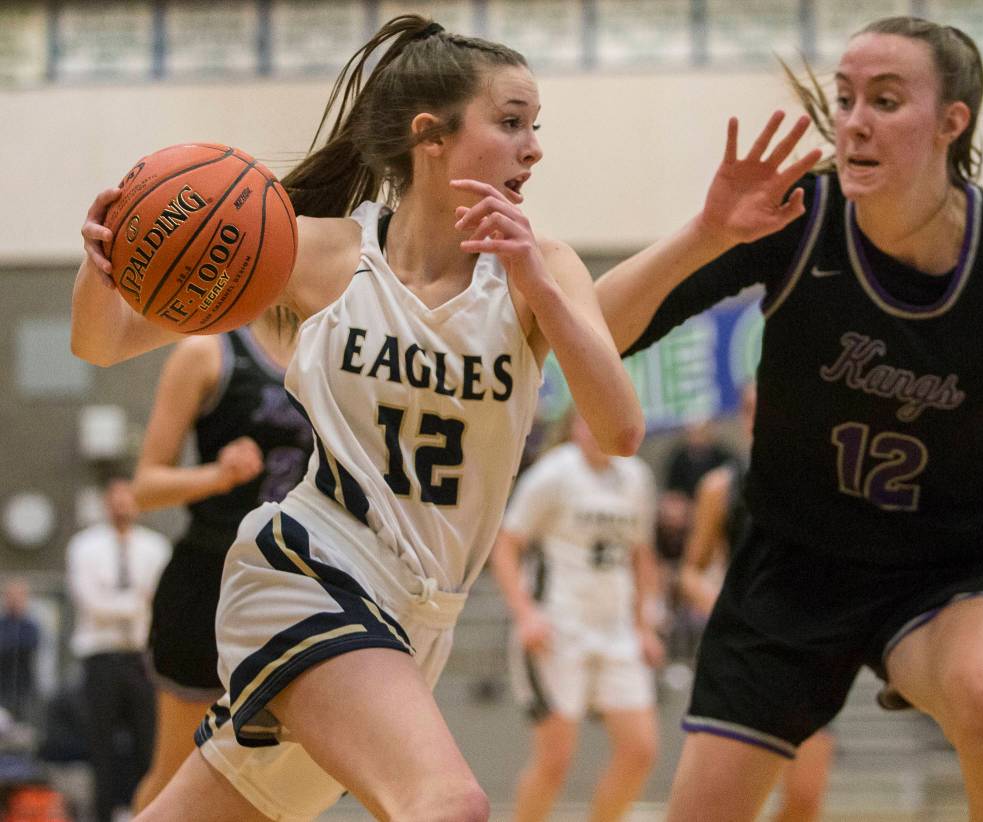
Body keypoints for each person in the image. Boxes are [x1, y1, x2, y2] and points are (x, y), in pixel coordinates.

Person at [71, 14, 643, 821]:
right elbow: (101, 345)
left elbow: (620, 432)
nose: (534, 146)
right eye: (511, 122)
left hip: (418, 616)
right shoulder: (319, 253)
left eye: (535, 126)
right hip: (309, 571)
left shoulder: (541, 268)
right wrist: (104, 267)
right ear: (430, 137)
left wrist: (544, 294)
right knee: (447, 804)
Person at [597, 15, 983, 821]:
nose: (855, 119)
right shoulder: (798, 216)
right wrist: (705, 232)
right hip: (791, 572)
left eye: (888, 100)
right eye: (847, 96)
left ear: (951, 122)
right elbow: (588, 334)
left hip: (947, 571)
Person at [129, 308, 312, 813]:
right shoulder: (208, 351)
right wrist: (217, 475)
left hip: (297, 588)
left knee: (273, 785)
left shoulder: (336, 352)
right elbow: (144, 487)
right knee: (174, 776)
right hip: (209, 581)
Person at [490, 407, 663, 822]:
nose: (595, 428)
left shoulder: (636, 477)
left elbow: (641, 554)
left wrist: (645, 625)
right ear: (574, 428)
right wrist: (525, 613)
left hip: (616, 629)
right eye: (586, 420)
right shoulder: (554, 474)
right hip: (559, 628)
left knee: (640, 750)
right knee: (555, 761)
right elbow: (506, 545)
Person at [680, 384, 834, 822]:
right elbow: (690, 572)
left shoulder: (819, 485)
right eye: (752, 408)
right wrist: (728, 607)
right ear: (745, 417)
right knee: (726, 803)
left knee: (806, 795)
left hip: (807, 651)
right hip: (744, 656)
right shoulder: (721, 487)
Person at [66, 478, 170, 822]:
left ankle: (149, 814)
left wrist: (132, 602)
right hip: (101, 658)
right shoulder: (84, 546)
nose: (122, 505)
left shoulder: (156, 547)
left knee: (149, 748)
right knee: (101, 748)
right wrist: (137, 601)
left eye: (128, 498)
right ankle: (103, 815)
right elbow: (91, 603)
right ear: (106, 503)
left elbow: (161, 602)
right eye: (116, 499)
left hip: (143, 660)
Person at [0, 579, 40, 724]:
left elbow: (32, 645)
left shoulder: (31, 625)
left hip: (25, 688)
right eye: (11, 597)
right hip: (3, 687)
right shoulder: (2, 624)